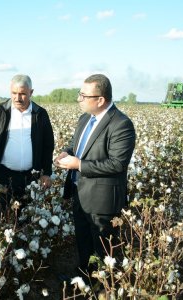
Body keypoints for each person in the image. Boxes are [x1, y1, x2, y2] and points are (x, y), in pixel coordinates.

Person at [54, 74, 136, 274]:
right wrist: (67, 153)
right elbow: (77, 146)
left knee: (101, 249)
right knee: (82, 239)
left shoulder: (121, 124)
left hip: (102, 200)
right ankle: (83, 276)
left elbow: (117, 164)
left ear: (100, 100)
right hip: (79, 193)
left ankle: (100, 286)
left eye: (83, 95)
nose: (79, 99)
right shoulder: (85, 119)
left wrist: (79, 165)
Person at [0, 74, 54, 226]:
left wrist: (46, 172)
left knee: (25, 220)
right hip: (1, 175)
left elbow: (48, 145)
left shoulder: (40, 114)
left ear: (31, 92)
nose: (17, 98)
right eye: (14, 93)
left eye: (22, 94)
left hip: (29, 177)